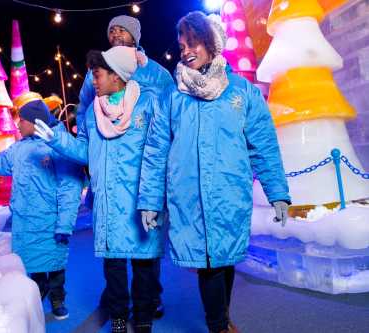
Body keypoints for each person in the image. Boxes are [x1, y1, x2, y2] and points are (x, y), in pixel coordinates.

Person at [137, 11, 291, 333]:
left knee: (225, 257)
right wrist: (150, 200)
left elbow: (262, 143)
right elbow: (155, 151)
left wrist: (277, 191)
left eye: (193, 43)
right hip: (189, 195)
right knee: (208, 262)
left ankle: (221, 318)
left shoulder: (241, 92)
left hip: (229, 192)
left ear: (211, 42)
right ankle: (218, 325)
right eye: (182, 46)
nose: (186, 51)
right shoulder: (172, 96)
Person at [34, 46, 166, 333]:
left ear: (116, 76)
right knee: (114, 267)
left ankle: (143, 318)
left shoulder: (148, 105)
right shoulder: (93, 113)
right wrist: (56, 138)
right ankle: (118, 316)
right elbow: (86, 151)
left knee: (144, 265)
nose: (93, 80)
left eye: (97, 74)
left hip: (140, 203)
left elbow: (158, 156)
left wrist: (153, 199)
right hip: (108, 204)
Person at [76, 14, 173, 318]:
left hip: (144, 168)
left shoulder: (155, 73)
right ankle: (117, 305)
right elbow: (84, 114)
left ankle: (149, 299)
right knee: (112, 242)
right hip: (109, 164)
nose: (116, 34)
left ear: (135, 36)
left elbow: (170, 115)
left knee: (147, 239)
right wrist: (86, 151)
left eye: (123, 30)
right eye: (112, 30)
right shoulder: (97, 75)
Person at [0, 98, 83, 320]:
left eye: (22, 120)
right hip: (25, 222)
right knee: (30, 263)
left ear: (35, 123)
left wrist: (64, 224)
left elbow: (70, 188)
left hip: (50, 221)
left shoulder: (58, 147)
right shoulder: (18, 149)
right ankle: (37, 292)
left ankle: (57, 298)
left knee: (54, 262)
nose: (18, 125)